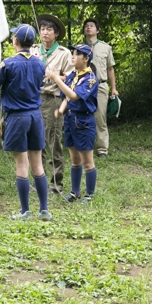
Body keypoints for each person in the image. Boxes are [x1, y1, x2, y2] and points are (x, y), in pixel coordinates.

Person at [0, 24, 51, 221]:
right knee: (38, 165)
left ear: (15, 41)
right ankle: (44, 210)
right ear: (32, 42)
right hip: (36, 116)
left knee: (22, 166)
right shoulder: (39, 63)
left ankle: (25, 211)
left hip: (17, 118)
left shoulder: (8, 64)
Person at [46, 44, 99, 204]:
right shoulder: (72, 76)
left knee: (87, 161)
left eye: (77, 54)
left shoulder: (90, 79)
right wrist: (61, 110)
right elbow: (66, 98)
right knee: (75, 159)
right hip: (70, 120)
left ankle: (89, 194)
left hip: (84, 121)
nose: (73, 56)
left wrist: (56, 79)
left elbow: (74, 95)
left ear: (86, 59)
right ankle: (75, 192)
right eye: (73, 53)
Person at [31, 14, 73, 194]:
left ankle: (56, 184)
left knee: (53, 141)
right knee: (34, 141)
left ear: (56, 34)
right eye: (42, 29)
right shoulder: (33, 49)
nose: (45, 33)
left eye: (49, 30)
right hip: (33, 99)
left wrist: (55, 76)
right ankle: (38, 181)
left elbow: (72, 78)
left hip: (53, 99)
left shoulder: (64, 53)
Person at [83, 18, 119, 158]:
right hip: (83, 86)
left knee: (100, 117)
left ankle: (102, 149)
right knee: (83, 116)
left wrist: (113, 88)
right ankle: (85, 146)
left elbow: (110, 69)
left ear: (97, 30)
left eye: (91, 26)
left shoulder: (106, 48)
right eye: (86, 26)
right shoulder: (79, 48)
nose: (88, 28)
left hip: (101, 86)